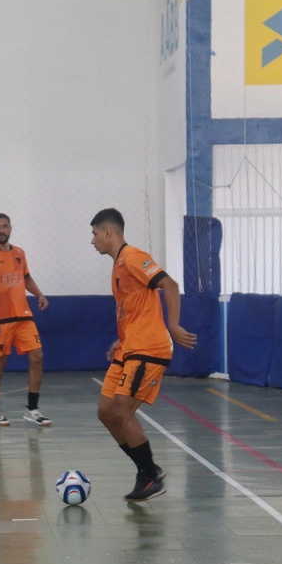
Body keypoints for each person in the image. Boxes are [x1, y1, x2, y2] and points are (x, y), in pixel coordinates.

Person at [90, 208, 196, 502]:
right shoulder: (118, 265)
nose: (93, 240)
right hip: (130, 347)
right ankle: (148, 468)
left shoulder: (134, 257)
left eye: (95, 234)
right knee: (106, 412)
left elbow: (169, 285)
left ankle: (148, 477)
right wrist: (121, 339)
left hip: (149, 348)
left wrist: (173, 325)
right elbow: (135, 310)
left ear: (108, 232)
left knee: (122, 411)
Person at [0, 213, 51, 427]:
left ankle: (32, 409)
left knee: (37, 356)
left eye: (5, 226)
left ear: (10, 228)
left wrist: (39, 294)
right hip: (0, 321)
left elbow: (26, 278)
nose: (1, 230)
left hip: (24, 317)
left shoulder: (19, 253)